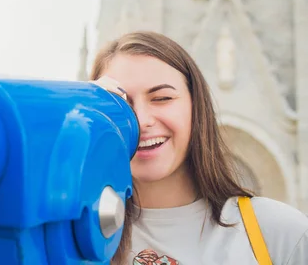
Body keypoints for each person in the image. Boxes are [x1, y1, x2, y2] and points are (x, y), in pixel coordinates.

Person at [90, 31, 308, 264]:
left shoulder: (280, 233)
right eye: (119, 103)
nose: (141, 120)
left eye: (162, 98)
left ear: (196, 107)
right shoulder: (72, 235)